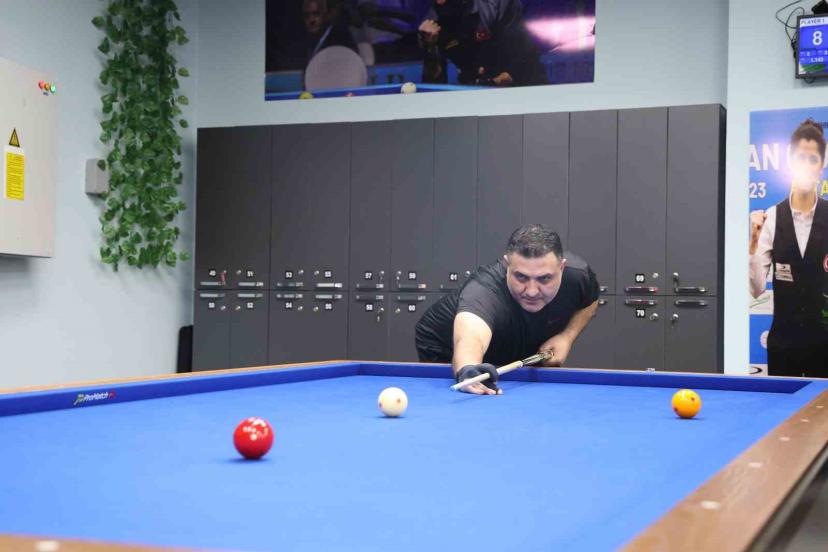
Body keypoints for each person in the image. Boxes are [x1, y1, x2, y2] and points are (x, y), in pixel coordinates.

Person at [415, 224, 600, 395]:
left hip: (509, 335)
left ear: (562, 268)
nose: (532, 291)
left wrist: (567, 336)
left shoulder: (578, 276)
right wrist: (468, 368)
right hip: (445, 344)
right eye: (521, 277)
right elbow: (471, 337)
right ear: (507, 265)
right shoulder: (485, 291)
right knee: (470, 393)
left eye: (544, 279)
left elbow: (590, 301)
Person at [749, 118, 828, 377]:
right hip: (784, 347)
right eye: (800, 158)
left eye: (813, 159)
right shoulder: (771, 217)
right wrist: (753, 242)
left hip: (824, 348)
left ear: (822, 166)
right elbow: (756, 289)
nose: (806, 165)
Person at [417, 0, 546, 86]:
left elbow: (522, 50)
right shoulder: (430, 25)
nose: (440, 1)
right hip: (474, 88)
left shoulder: (497, 4)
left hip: (522, 79)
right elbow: (434, 83)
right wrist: (429, 47)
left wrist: (505, 77)